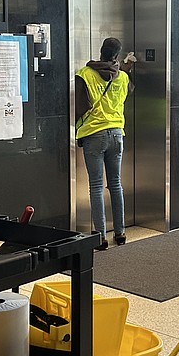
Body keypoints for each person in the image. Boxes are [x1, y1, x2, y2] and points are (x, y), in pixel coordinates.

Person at [75, 37, 135, 250]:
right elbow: (128, 91)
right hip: (117, 133)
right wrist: (125, 67)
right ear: (116, 56)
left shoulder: (84, 74)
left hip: (94, 134)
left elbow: (79, 105)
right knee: (116, 184)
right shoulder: (123, 77)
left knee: (96, 186)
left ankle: (100, 236)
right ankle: (120, 233)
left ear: (101, 52)